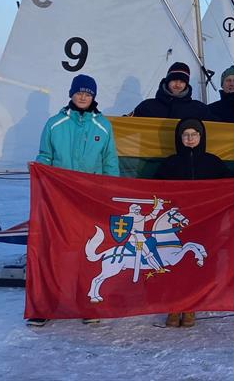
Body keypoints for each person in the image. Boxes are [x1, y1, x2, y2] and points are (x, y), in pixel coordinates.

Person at [29, 74, 119, 327]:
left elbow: (110, 161)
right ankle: (45, 304)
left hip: (90, 200)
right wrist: (40, 179)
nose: (83, 97)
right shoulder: (55, 123)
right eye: (79, 92)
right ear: (71, 94)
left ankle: (88, 304)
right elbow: (45, 156)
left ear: (93, 97)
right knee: (55, 251)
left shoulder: (102, 125)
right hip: (59, 199)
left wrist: (111, 191)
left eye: (88, 93)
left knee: (88, 253)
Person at [155, 118, 231, 327]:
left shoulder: (213, 163)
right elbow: (155, 190)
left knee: (196, 265)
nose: (190, 139)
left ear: (201, 137)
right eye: (186, 135)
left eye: (194, 135)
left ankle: (191, 306)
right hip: (176, 227)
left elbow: (231, 188)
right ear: (180, 138)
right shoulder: (169, 163)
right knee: (174, 267)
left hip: (204, 224)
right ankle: (173, 306)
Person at [132, 62, 211, 120]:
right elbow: (126, 126)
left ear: (186, 84)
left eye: (182, 82)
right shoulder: (147, 106)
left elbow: (216, 131)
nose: (178, 85)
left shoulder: (199, 109)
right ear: (168, 81)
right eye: (174, 80)